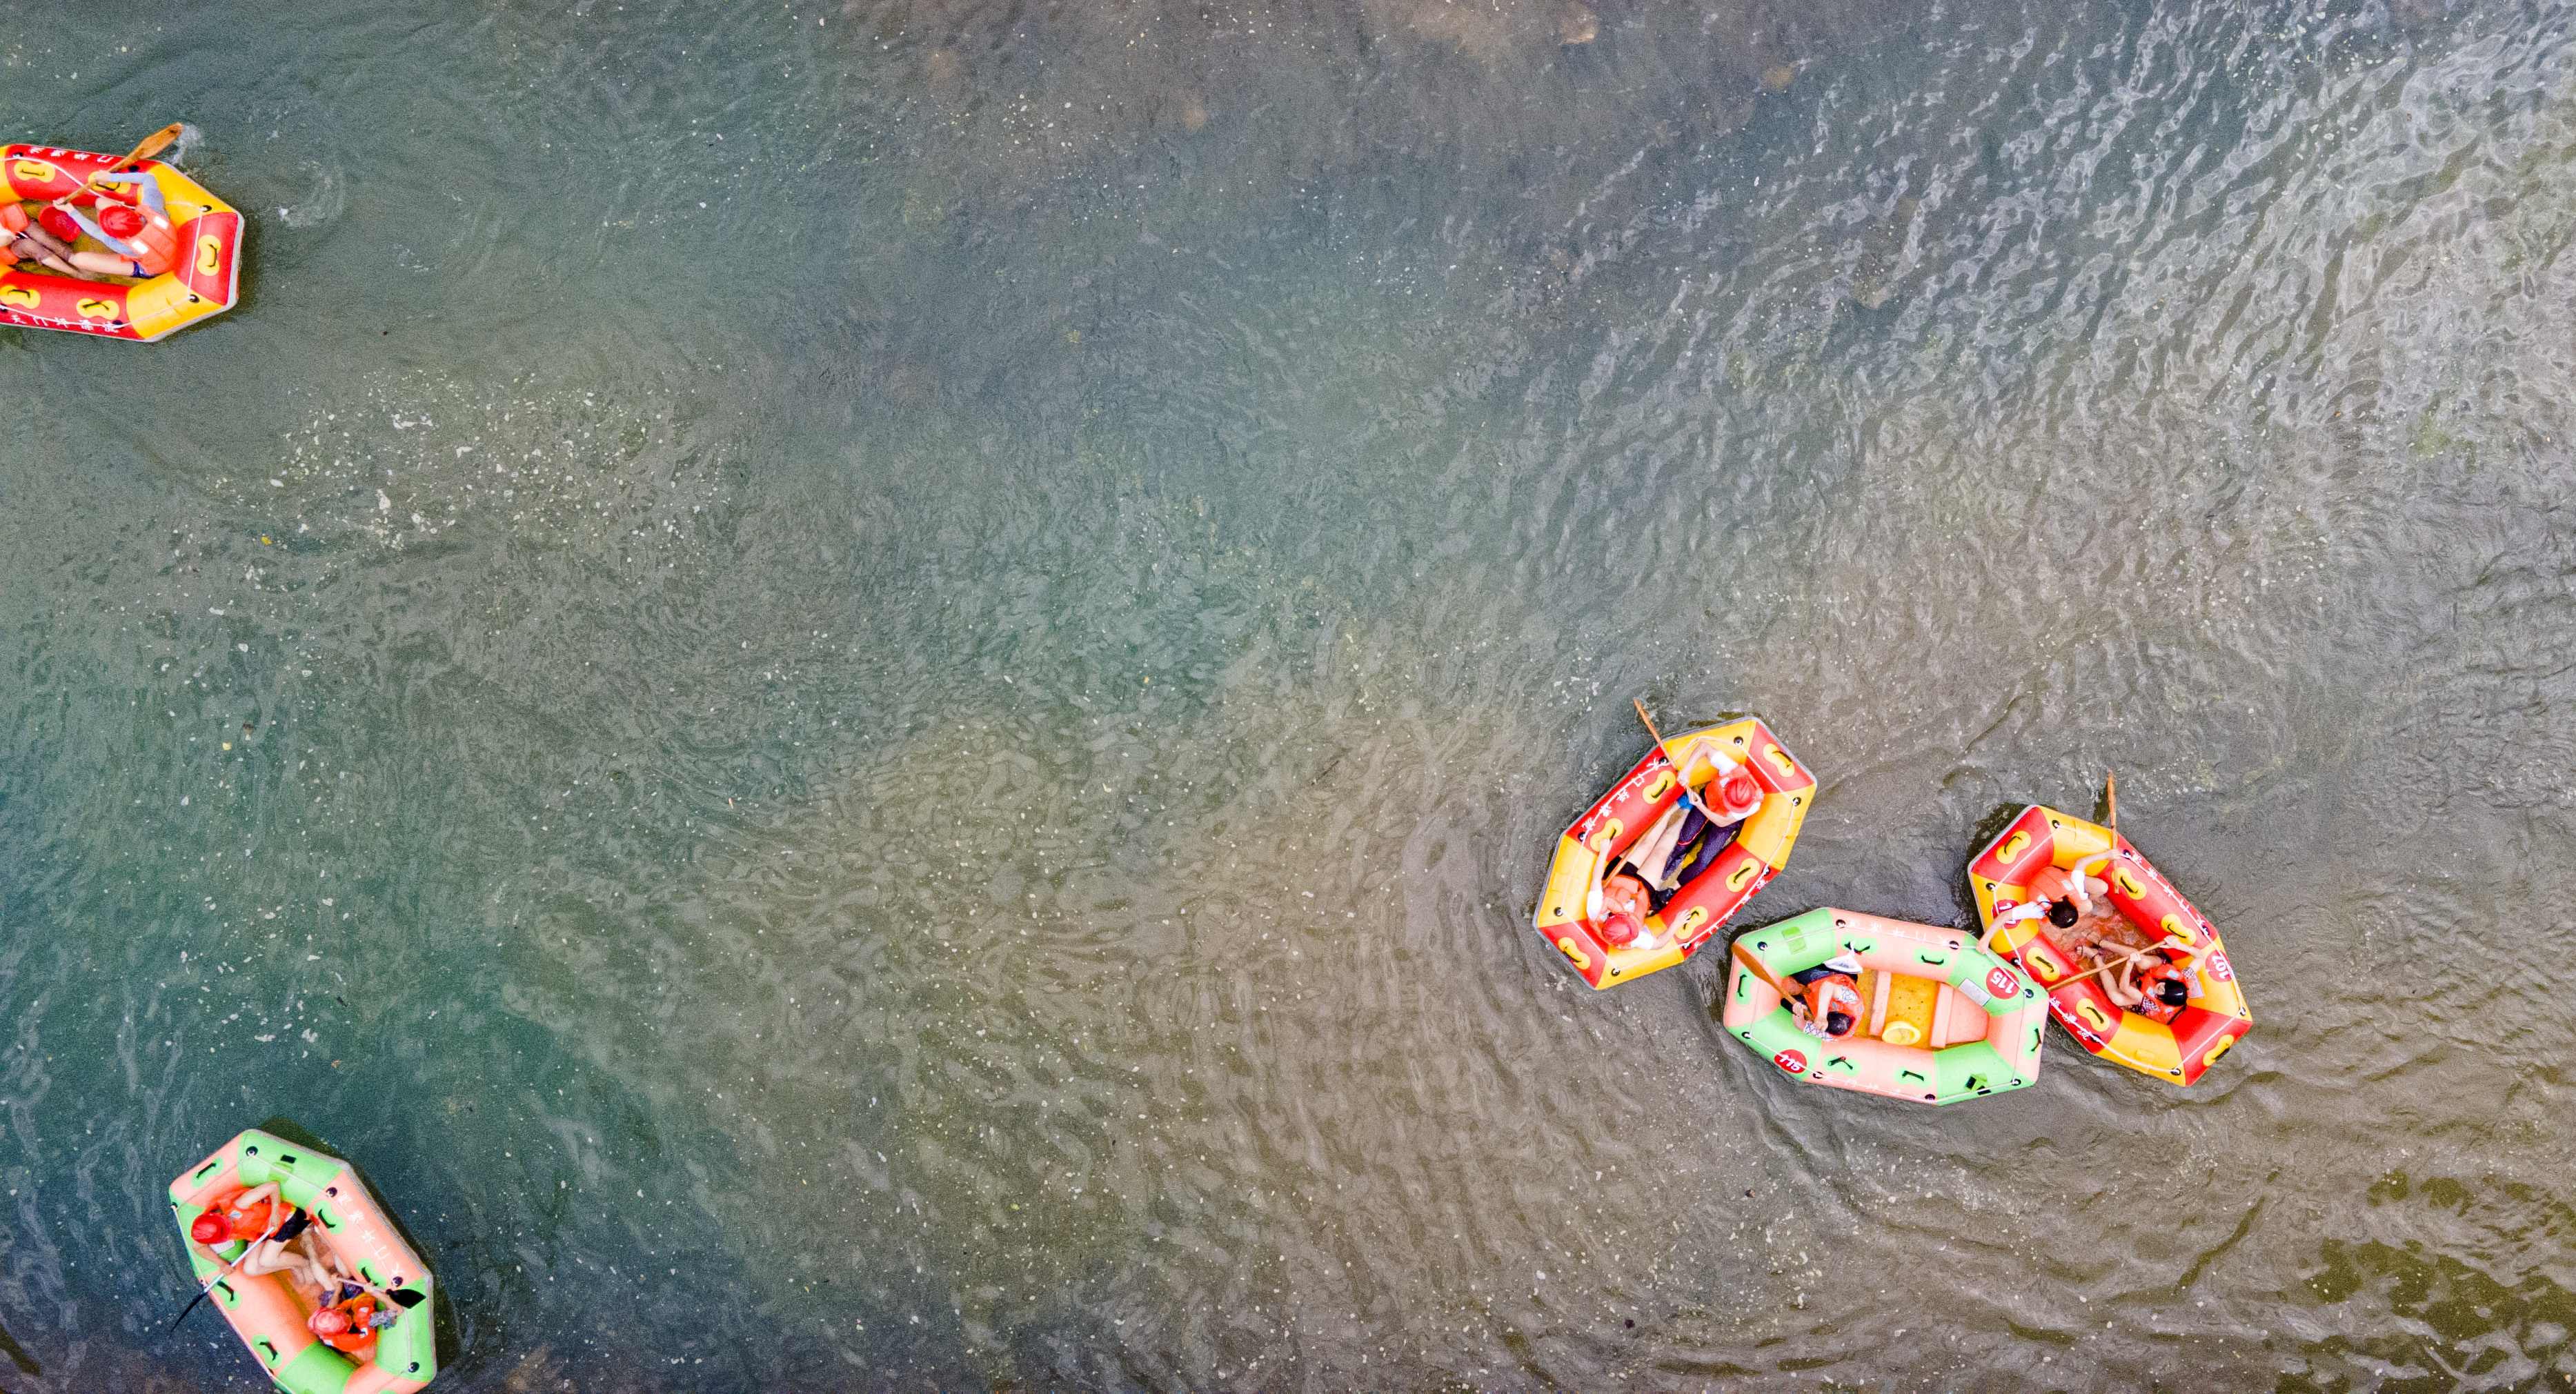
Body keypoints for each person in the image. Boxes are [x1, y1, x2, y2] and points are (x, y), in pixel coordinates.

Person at [52, 177, 177, 279]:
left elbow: (94, 231)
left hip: (152, 267)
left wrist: (71, 211)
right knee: (101, 202)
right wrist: (110, 177)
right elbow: (149, 178)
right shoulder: (153, 209)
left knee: (77, 260)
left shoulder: (121, 246)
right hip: (170, 244)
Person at [1787, 953, 1865, 1039]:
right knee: (1798, 974)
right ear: (1836, 1010)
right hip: (1830, 982)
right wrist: (1822, 1015)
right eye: (1830, 1010)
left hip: (1815, 1007)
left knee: (1786, 1001)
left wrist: (1798, 1015)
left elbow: (1801, 1026)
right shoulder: (1852, 1001)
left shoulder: (1829, 1035)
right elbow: (1827, 986)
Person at [1, 203, 81, 275]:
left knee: (42, 237)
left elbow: (8, 236)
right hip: (9, 247)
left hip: (13, 224)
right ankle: (73, 272)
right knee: (30, 246)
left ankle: (71, 257)